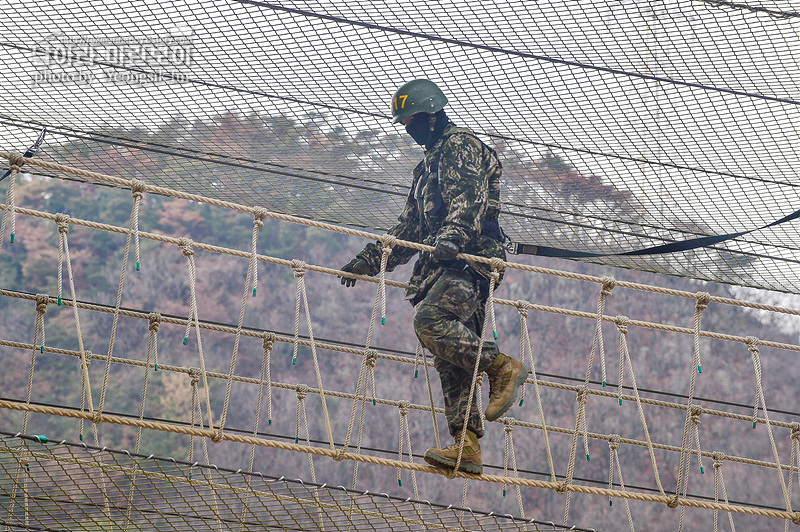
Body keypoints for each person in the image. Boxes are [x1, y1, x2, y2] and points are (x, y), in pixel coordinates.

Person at [339, 79, 530, 475]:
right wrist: (369, 260)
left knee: (431, 322)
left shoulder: (460, 145)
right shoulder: (426, 168)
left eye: (412, 121)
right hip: (442, 264)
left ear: (430, 116)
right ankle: (466, 445)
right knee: (452, 359)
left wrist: (453, 237)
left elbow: (469, 199)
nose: (409, 129)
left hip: (470, 260)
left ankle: (501, 367)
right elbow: (409, 229)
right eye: (404, 123)